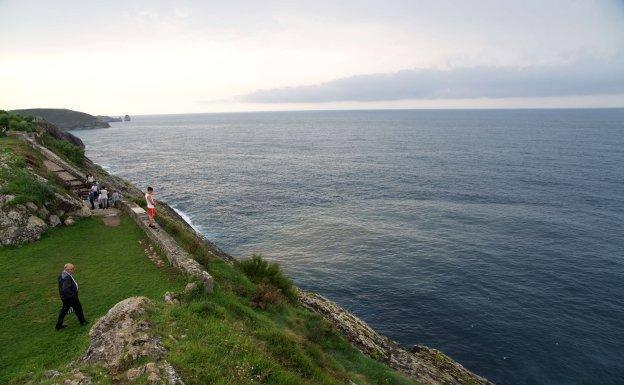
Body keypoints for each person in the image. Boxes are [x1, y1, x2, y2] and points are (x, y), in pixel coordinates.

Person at [56, 263, 87, 330]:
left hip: (64, 297)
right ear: (68, 270)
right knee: (78, 308)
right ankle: (83, 322)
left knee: (64, 310)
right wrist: (73, 295)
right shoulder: (67, 277)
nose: (74, 270)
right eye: (72, 269)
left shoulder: (62, 274)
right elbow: (65, 289)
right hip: (71, 297)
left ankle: (58, 325)